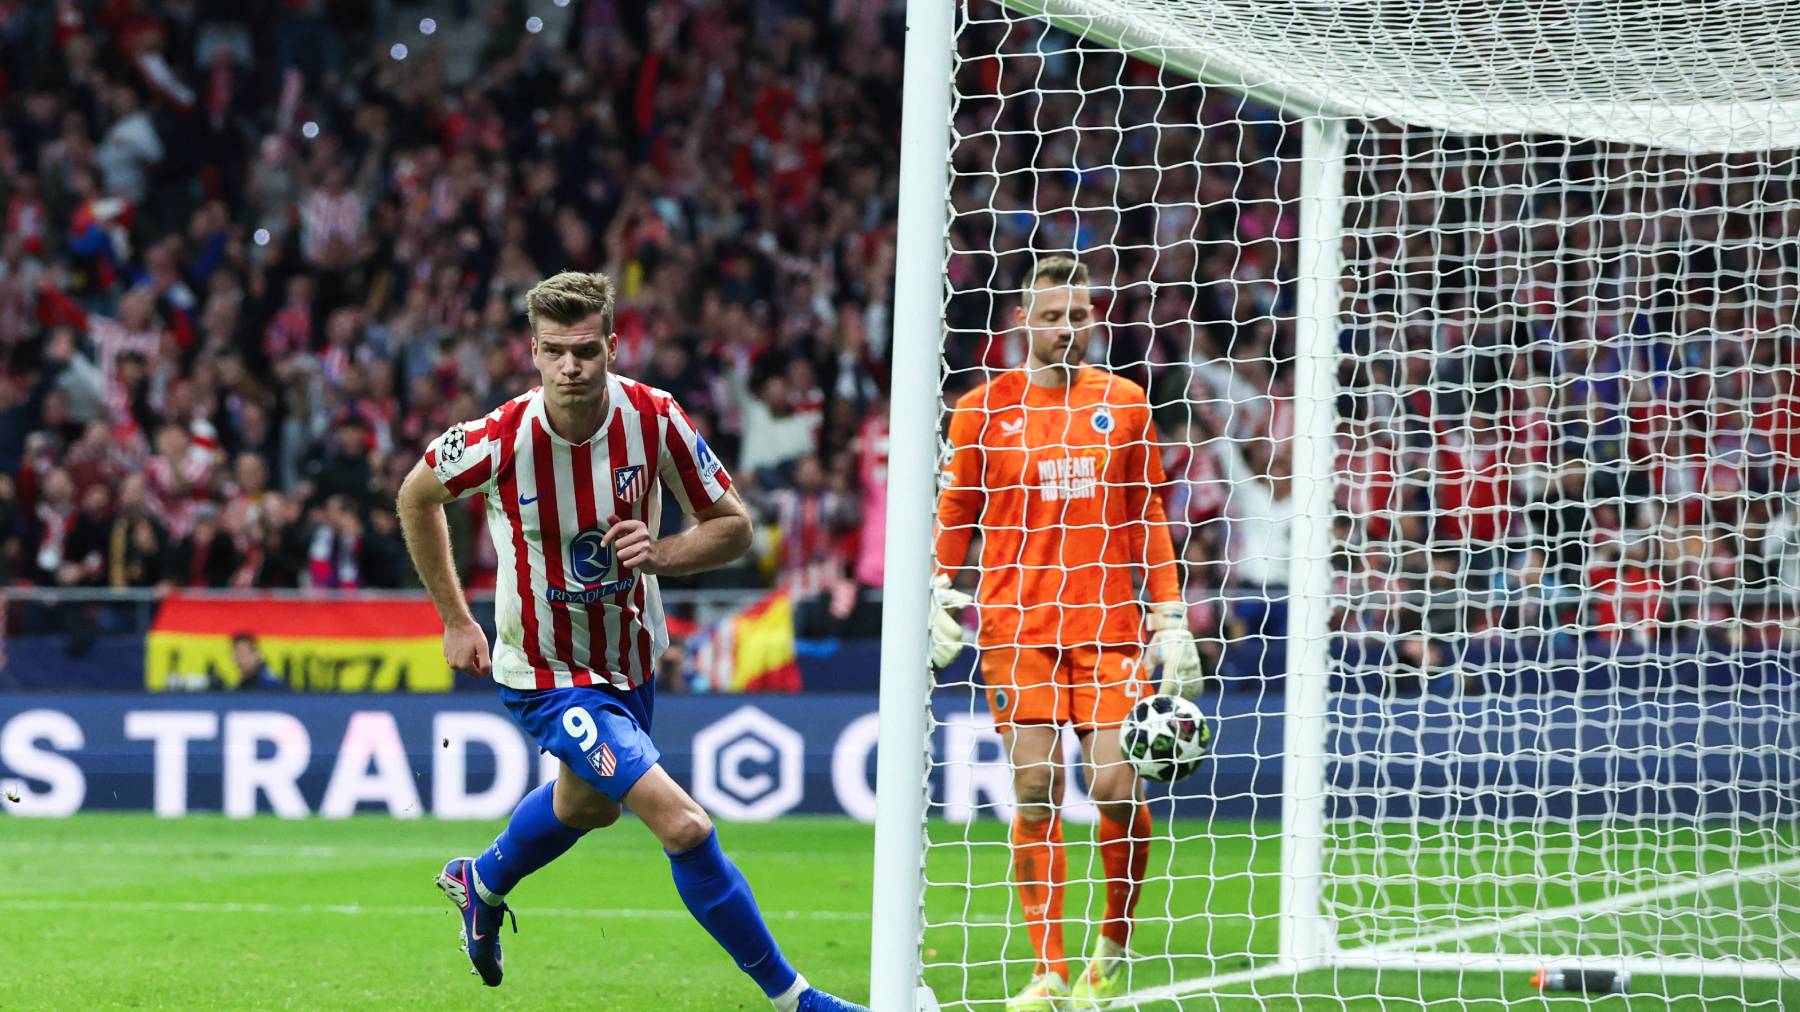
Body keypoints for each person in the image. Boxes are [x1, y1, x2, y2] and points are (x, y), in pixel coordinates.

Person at [395, 272, 864, 1012]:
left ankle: (478, 882)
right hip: (547, 673)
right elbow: (414, 497)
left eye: (586, 349)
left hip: (631, 658)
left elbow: (734, 525)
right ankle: (797, 999)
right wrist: (455, 617)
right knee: (683, 823)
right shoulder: (497, 436)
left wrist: (667, 552)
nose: (571, 367)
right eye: (555, 352)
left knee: (587, 807)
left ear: (612, 345)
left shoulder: (655, 416)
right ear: (534, 352)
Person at [931, 256, 1201, 1010]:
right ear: (1024, 320)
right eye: (1053, 316)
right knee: (1034, 784)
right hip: (1017, 624)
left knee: (1115, 787)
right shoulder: (983, 410)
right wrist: (938, 592)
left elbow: (1148, 513)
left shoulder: (1126, 403)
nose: (1067, 329)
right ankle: (1049, 969)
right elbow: (958, 513)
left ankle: (1111, 942)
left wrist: (1170, 616)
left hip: (1109, 626)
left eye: (1079, 315)